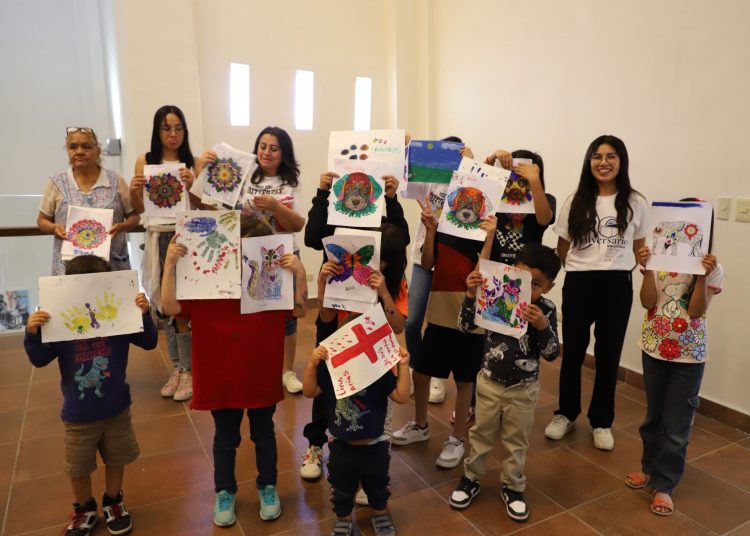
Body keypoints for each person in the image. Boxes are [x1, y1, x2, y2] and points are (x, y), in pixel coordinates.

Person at [160, 215, 308, 527]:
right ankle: (224, 490)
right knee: (225, 439)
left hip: (260, 372)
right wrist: (170, 266)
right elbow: (170, 308)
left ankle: (267, 486)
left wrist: (299, 273)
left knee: (263, 434)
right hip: (220, 374)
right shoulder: (205, 287)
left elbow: (299, 309)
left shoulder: (269, 285)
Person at [23, 255, 158, 536]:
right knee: (77, 467)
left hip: (117, 408)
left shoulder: (118, 315)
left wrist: (144, 315)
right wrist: (33, 332)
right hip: (78, 415)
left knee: (117, 457)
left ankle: (114, 501)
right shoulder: (61, 323)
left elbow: (149, 342)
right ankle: (84, 508)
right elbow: (39, 359)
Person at [300, 162, 410, 481]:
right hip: (340, 335)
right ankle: (319, 445)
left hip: (373, 350)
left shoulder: (393, 275)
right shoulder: (349, 253)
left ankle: (374, 461)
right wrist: (323, 283)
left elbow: (398, 326)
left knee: (373, 402)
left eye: (382, 260)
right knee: (329, 392)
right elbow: (325, 317)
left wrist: (384, 292)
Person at [544, 135, 650, 450]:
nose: (603, 162)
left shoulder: (636, 202)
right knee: (573, 352)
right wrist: (581, 268)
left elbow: (639, 249)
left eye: (611, 156)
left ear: (621, 161)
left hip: (617, 285)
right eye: (597, 156)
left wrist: (619, 266)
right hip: (579, 283)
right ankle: (566, 413)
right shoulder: (576, 200)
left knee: (608, 355)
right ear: (589, 162)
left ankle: (601, 421)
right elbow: (563, 247)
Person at [448, 244, 561, 522]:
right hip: (489, 381)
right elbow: (464, 326)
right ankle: (471, 478)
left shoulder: (546, 309)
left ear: (549, 286)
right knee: (481, 434)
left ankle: (513, 486)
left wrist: (542, 326)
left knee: (516, 441)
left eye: (536, 284)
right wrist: (470, 295)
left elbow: (552, 353)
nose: (527, 289)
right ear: (510, 272)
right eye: (522, 280)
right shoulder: (495, 293)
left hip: (523, 388)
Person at [626, 200, 723, 517]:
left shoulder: (713, 269)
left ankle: (664, 484)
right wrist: (648, 267)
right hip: (654, 347)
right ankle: (649, 469)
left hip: (689, 356)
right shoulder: (657, 260)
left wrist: (702, 276)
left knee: (676, 424)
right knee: (653, 417)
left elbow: (696, 311)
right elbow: (647, 302)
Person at [193, 126, 306, 394]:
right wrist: (200, 173)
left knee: (287, 317)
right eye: (263, 146)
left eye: (274, 148)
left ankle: (287, 371)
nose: (266, 152)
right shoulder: (243, 176)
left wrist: (276, 207)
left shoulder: (291, 183)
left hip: (282, 256)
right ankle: (257, 363)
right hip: (245, 255)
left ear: (284, 153)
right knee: (251, 314)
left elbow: (298, 225)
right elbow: (213, 210)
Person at [390, 193, 484, 469]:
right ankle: (420, 425)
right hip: (440, 308)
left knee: (465, 379)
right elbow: (427, 263)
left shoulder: (485, 230)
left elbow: (487, 269)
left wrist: (490, 236)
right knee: (421, 373)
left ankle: (457, 439)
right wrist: (431, 230)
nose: (466, 209)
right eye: (462, 203)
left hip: (472, 313)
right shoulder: (446, 225)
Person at [130, 105, 203, 402]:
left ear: (185, 131)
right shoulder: (145, 161)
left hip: (185, 238)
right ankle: (177, 367)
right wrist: (134, 190)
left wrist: (192, 185)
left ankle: (189, 370)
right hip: (157, 236)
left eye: (178, 128)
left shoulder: (193, 163)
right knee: (162, 306)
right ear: (157, 131)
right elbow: (138, 208)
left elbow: (204, 206)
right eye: (166, 128)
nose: (173, 134)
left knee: (182, 307)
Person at [303, 341, 411, 536]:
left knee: (378, 486)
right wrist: (312, 364)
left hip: (375, 446)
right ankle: (343, 520)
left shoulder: (378, 372)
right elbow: (310, 391)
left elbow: (402, 396)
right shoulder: (333, 372)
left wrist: (403, 366)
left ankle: (381, 515)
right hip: (342, 446)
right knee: (341, 488)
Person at [404, 136, 465, 406]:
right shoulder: (430, 179)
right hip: (423, 259)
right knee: (412, 322)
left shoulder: (467, 183)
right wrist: (407, 150)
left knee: (442, 324)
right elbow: (406, 179)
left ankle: (438, 376)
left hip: (452, 263)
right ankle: (417, 369)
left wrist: (471, 165)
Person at [37, 127, 140, 276]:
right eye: (73, 147)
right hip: (68, 270)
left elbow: (134, 216)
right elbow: (42, 220)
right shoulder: (56, 183)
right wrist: (54, 228)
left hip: (113, 267)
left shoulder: (115, 180)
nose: (79, 152)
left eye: (86, 146)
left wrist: (121, 226)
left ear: (97, 150)